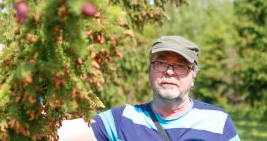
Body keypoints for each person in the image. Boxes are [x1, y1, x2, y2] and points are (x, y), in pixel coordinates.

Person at [58, 35, 241, 141]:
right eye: (161, 63)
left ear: (193, 76)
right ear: (150, 71)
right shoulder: (123, 119)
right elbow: (60, 133)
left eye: (180, 66)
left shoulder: (218, 122)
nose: (170, 72)